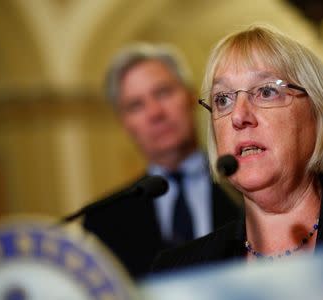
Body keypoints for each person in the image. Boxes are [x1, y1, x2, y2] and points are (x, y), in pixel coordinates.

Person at [151, 25, 323, 297]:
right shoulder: (178, 272)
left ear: (318, 114)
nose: (238, 116)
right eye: (223, 99)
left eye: (265, 91)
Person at [82, 43, 240, 280]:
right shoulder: (104, 219)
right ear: (124, 123)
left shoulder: (246, 185)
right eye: (136, 105)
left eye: (163, 92)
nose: (155, 113)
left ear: (190, 96)